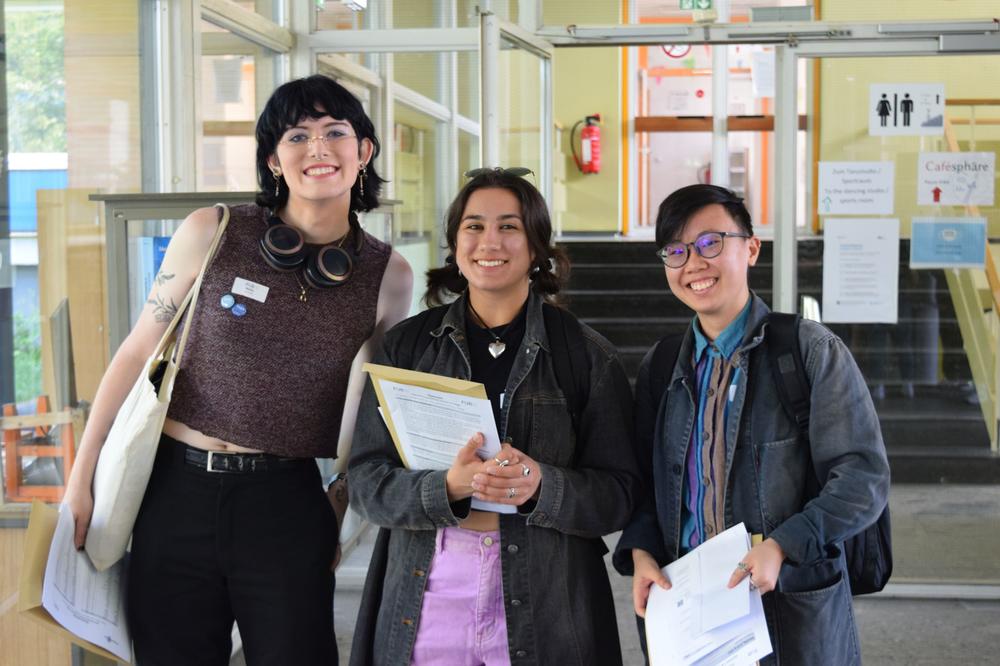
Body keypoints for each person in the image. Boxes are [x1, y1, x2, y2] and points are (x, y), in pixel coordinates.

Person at [62, 75, 413, 665]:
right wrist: (80, 479)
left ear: (364, 151)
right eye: (296, 136)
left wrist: (340, 497)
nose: (318, 148)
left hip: (285, 502)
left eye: (335, 132)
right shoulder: (214, 230)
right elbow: (136, 352)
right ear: (274, 160)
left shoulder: (389, 275)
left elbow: (372, 401)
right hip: (174, 493)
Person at [348, 168, 640, 665]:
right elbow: (364, 481)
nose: (490, 242)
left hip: (546, 592)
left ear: (536, 246)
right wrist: (446, 487)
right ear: (455, 243)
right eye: (474, 226)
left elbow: (620, 495)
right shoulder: (408, 348)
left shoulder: (586, 356)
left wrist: (543, 485)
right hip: (430, 585)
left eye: (509, 226)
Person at [614, 184, 890, 665]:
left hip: (786, 607)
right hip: (689, 614)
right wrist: (641, 552)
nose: (693, 264)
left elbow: (862, 477)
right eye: (676, 251)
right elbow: (644, 484)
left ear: (752, 248)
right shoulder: (662, 366)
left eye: (710, 243)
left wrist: (784, 544)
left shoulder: (808, 352)